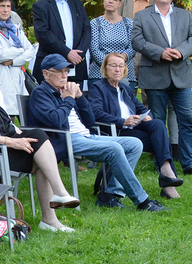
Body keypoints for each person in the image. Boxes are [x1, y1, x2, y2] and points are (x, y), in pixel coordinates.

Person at [0, 49, 80, 232]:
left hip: (5, 149)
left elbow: (8, 124)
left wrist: (20, 137)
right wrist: (11, 142)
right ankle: (56, 202)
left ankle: (51, 217)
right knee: (40, 141)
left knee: (40, 147)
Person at [28, 53, 167, 211]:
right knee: (114, 149)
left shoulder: (67, 91)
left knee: (134, 144)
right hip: (65, 139)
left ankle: (110, 195)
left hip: (86, 135)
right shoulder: (41, 93)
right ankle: (142, 201)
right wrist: (69, 100)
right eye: (59, 71)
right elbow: (55, 121)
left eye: (66, 71)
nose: (64, 75)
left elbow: (90, 121)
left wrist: (80, 98)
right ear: (46, 73)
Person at [132, 0, 192, 176]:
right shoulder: (141, 15)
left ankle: (190, 163)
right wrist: (160, 52)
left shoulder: (185, 15)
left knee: (187, 120)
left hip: (180, 75)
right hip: (154, 75)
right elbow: (137, 41)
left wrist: (180, 52)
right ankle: (162, 163)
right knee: (157, 122)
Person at [89, 52, 185, 197]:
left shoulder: (125, 89)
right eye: (113, 66)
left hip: (133, 130)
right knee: (160, 141)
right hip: (115, 132)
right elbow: (95, 113)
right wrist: (123, 122)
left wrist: (147, 117)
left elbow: (142, 109)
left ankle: (166, 173)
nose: (117, 69)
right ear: (105, 69)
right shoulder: (98, 88)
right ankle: (167, 183)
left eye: (121, 66)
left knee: (157, 124)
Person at [0, 0, 38, 115]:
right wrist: (21, 50)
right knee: (4, 115)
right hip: (0, 78)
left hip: (17, 77)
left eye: (8, 6)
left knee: (21, 115)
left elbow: (31, 51)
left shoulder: (15, 28)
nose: (6, 10)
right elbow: (0, 54)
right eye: (2, 6)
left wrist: (13, 61)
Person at [32, 0, 92, 83]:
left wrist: (78, 55)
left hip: (76, 66)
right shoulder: (41, 6)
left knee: (75, 100)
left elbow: (87, 31)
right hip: (51, 67)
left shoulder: (78, 5)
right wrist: (67, 53)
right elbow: (43, 34)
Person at [89, 0, 137, 94]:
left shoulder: (128, 23)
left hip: (125, 73)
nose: (110, 1)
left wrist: (119, 64)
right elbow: (94, 49)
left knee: (124, 107)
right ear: (103, 2)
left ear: (120, 4)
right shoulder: (95, 23)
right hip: (99, 74)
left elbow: (133, 46)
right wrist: (110, 65)